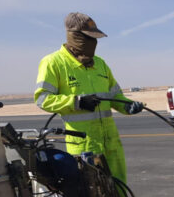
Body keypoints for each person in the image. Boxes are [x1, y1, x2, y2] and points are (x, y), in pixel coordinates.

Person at [34, 12, 144, 186]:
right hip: (84, 144)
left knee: (119, 185)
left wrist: (128, 106)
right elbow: (43, 99)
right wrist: (76, 102)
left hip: (111, 142)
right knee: (93, 192)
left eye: (94, 38)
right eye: (88, 37)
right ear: (74, 36)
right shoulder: (53, 63)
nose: (93, 43)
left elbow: (115, 96)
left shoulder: (100, 63)